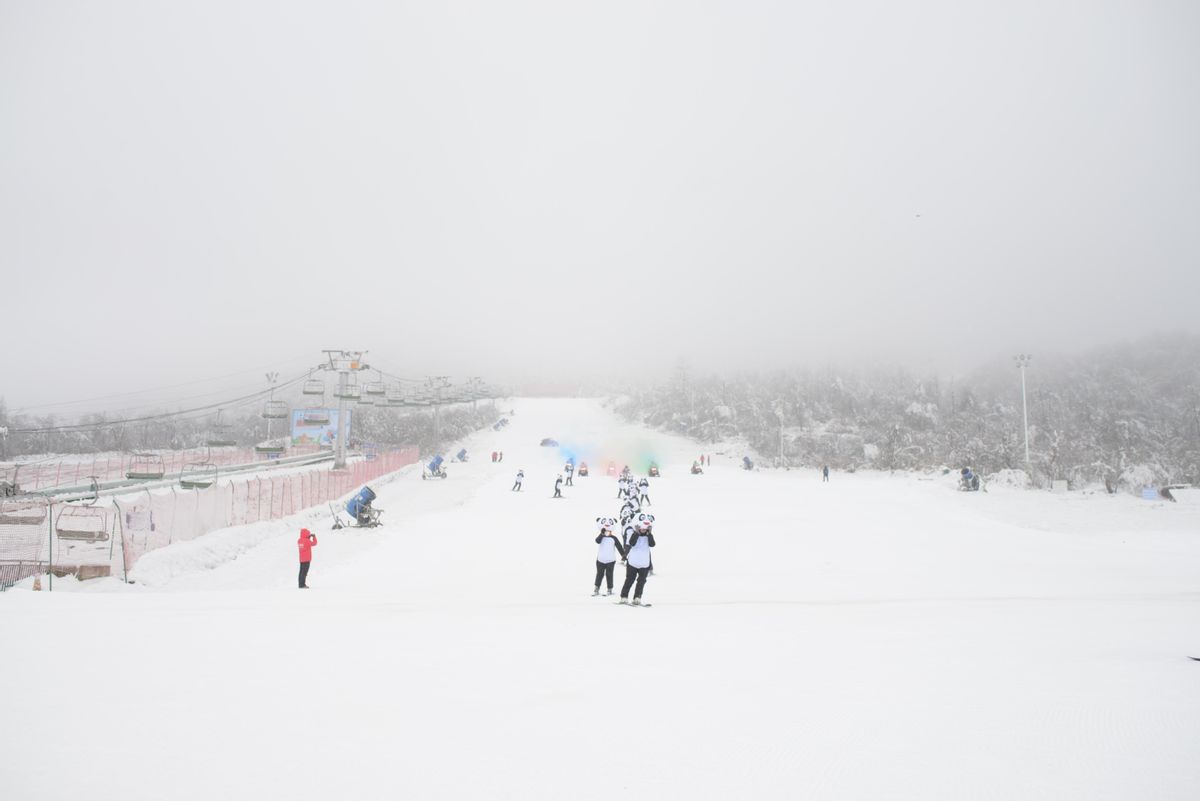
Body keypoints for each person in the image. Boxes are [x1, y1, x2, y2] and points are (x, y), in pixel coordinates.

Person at [619, 519, 655, 605]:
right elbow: (632, 543)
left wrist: (649, 533)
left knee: (641, 581)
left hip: (644, 563)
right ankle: (624, 597)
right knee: (629, 580)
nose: (643, 530)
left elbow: (652, 544)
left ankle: (637, 597)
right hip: (633, 562)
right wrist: (636, 533)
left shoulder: (648, 535)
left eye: (644, 528)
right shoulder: (634, 534)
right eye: (641, 528)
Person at [593, 518, 625, 596]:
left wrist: (624, 556)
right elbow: (597, 541)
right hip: (601, 559)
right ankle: (596, 588)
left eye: (608, 531)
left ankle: (609, 589)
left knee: (609, 575)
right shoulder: (601, 537)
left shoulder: (614, 538)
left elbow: (619, 547)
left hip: (611, 560)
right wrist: (601, 534)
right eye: (605, 531)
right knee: (599, 574)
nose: (607, 533)